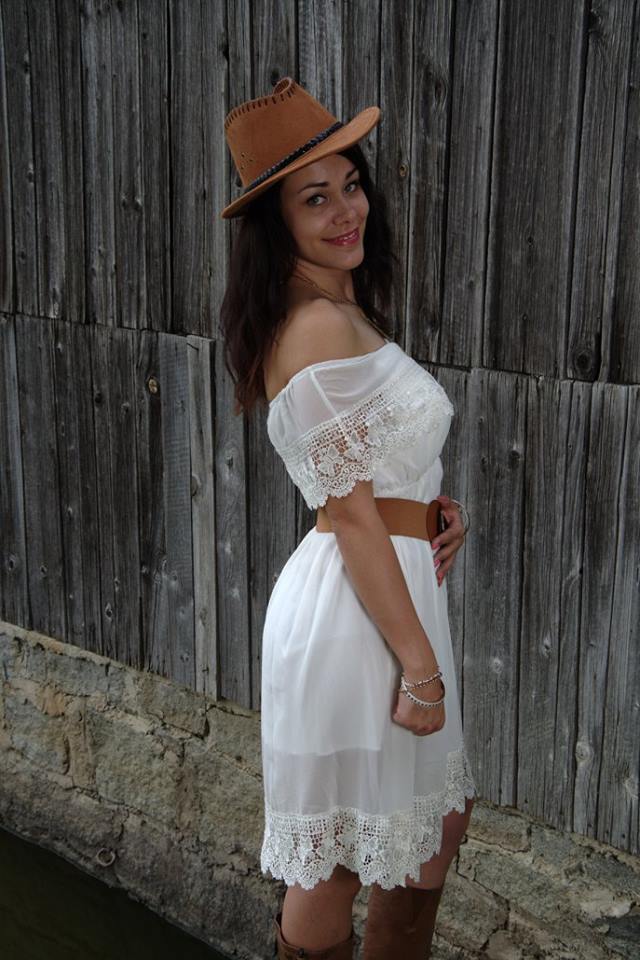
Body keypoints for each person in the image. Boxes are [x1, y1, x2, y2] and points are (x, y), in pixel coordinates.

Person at [220, 76, 476, 960]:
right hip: (355, 612)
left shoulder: (338, 310)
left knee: (428, 833)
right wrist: (422, 669)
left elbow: (375, 481)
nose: (345, 211)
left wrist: (432, 511)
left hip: (389, 590)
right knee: (336, 860)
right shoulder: (314, 326)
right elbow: (350, 514)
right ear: (276, 224)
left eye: (351, 185)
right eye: (315, 198)